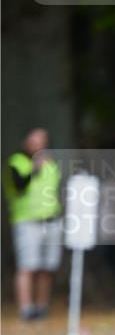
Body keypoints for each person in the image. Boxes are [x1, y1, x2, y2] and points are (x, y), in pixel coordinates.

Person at [4, 128, 63, 320]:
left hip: (51, 221)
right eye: (34, 141)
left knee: (47, 267)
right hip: (27, 222)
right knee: (27, 266)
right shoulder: (16, 163)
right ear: (26, 142)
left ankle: (42, 307)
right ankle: (26, 309)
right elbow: (18, 185)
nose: (38, 145)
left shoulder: (52, 164)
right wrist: (35, 168)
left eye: (42, 141)